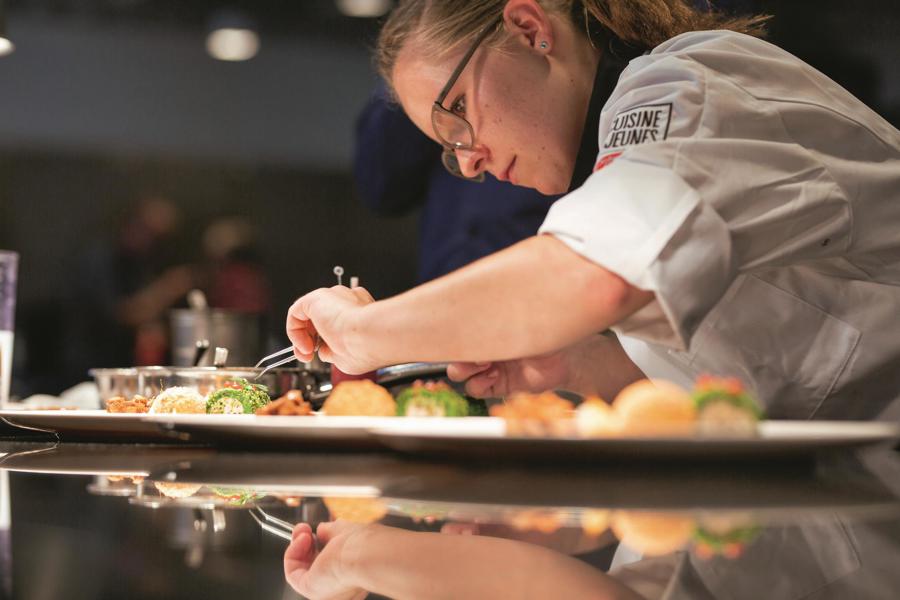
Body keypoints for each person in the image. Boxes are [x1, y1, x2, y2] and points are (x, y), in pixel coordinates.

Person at [286, 0, 900, 421]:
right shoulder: (613, 155)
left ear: (530, 29)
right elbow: (722, 402)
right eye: (448, 149)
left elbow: (591, 281)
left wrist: (364, 334)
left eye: (458, 118)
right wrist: (575, 364)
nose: (468, 163)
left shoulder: (688, 85)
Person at [354, 82, 558, 283]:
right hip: (444, 286)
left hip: (547, 287)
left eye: (461, 104)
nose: (466, 166)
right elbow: (381, 188)